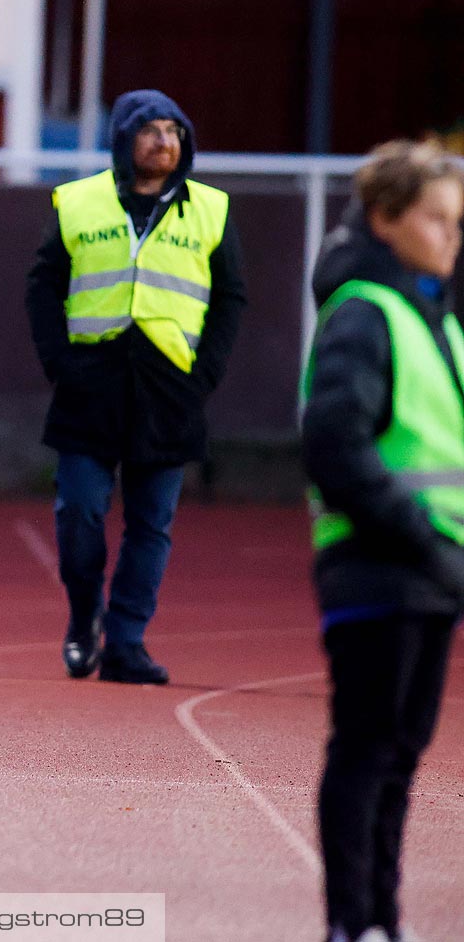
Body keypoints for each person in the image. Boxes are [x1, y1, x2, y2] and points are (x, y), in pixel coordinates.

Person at [24, 89, 246, 684]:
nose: (164, 141)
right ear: (124, 139)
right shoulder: (78, 202)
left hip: (170, 388)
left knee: (151, 525)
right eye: (151, 130)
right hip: (89, 383)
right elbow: (43, 285)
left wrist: (205, 374)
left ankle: (125, 642)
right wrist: (59, 363)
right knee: (79, 512)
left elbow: (230, 299)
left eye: (175, 131)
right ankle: (83, 616)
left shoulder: (211, 210)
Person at [301, 139, 464, 942]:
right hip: (378, 565)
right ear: (385, 219)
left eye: (456, 222)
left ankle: (382, 925)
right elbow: (336, 445)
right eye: (435, 219)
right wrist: (421, 540)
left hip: (433, 571)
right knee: (368, 751)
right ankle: (352, 923)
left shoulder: (439, 326)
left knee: (399, 762)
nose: (450, 236)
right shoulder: (367, 314)